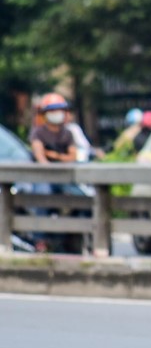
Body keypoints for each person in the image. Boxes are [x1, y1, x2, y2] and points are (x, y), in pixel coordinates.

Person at [28, 93, 78, 251]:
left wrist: (55, 156)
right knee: (42, 195)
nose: (57, 114)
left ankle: (75, 237)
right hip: (44, 177)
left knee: (81, 197)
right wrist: (50, 161)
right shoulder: (38, 132)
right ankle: (39, 239)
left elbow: (73, 156)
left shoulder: (67, 133)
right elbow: (39, 155)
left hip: (64, 177)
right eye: (53, 110)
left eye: (60, 110)